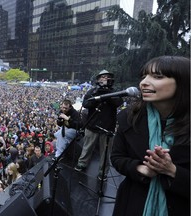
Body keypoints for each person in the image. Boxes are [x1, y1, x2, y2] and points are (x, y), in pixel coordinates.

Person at [111, 56, 190, 216]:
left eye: (157, 77)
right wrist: (140, 168)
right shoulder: (129, 117)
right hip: (133, 203)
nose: (144, 82)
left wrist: (172, 170)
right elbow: (117, 157)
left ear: (183, 82)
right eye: (144, 76)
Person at [75, 70, 123, 181]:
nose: (105, 78)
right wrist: (98, 95)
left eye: (107, 77)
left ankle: (103, 172)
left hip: (107, 127)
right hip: (92, 125)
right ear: (98, 80)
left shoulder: (114, 92)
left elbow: (118, 103)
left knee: (105, 152)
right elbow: (85, 104)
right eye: (103, 77)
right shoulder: (93, 91)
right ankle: (82, 164)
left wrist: (107, 93)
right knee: (87, 147)